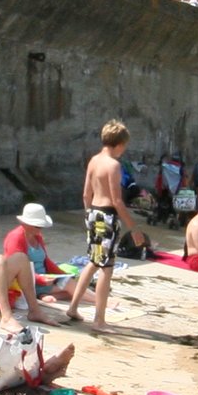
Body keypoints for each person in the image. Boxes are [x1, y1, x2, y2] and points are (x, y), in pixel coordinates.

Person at [65, 120, 133, 330]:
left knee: (93, 262)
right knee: (106, 268)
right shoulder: (113, 165)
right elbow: (117, 201)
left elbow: (86, 193)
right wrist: (134, 228)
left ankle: (73, 307)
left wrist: (89, 216)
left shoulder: (94, 160)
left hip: (93, 213)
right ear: (119, 144)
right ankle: (99, 320)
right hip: (108, 216)